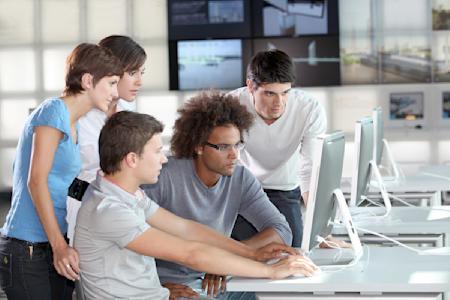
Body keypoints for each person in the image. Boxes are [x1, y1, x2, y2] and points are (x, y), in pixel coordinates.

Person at [73, 111, 317, 299]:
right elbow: (191, 253)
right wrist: (271, 271)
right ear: (132, 159)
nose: (163, 158)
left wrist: (250, 253)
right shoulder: (109, 210)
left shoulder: (127, 194)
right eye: (157, 151)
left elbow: (187, 229)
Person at [0, 43, 123, 299]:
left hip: (53, 243)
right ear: (88, 80)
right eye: (111, 83)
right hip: (29, 248)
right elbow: (37, 181)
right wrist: (60, 247)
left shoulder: (72, 121)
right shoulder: (53, 111)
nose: (115, 92)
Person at [143, 91, 293, 299]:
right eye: (223, 147)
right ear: (198, 146)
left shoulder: (240, 178)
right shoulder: (163, 177)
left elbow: (281, 229)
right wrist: (155, 290)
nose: (234, 155)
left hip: (218, 281)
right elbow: (129, 240)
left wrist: (225, 260)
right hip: (174, 286)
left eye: (237, 144)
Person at [229, 49, 327, 247]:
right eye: (269, 94)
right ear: (250, 86)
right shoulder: (230, 105)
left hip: (285, 189)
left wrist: (321, 230)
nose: (279, 103)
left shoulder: (309, 109)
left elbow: (309, 170)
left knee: (295, 248)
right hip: (243, 189)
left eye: (285, 93)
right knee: (238, 249)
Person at [66, 35, 146, 245]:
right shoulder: (79, 115)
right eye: (132, 73)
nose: (139, 81)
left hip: (121, 210)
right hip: (80, 210)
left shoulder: (128, 112)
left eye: (141, 73)